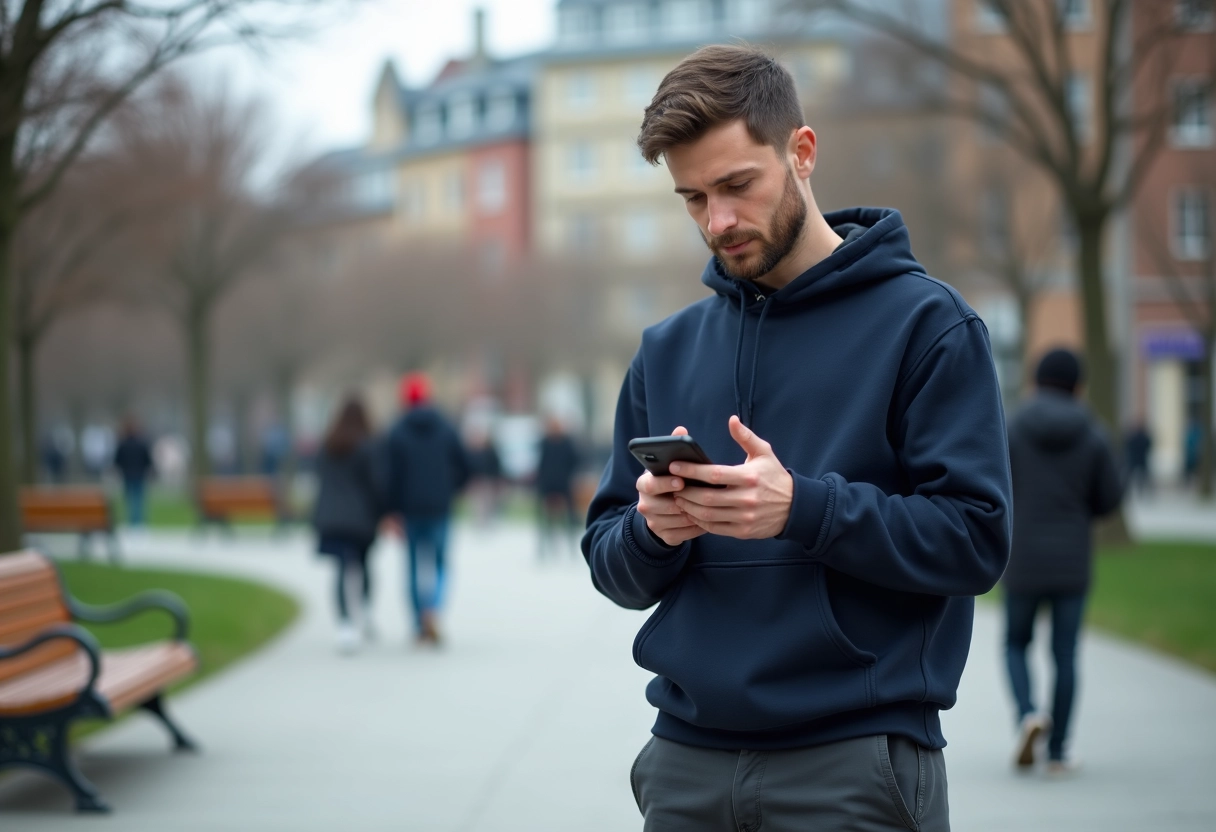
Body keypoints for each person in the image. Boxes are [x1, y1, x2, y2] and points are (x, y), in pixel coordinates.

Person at [583, 46, 1012, 831]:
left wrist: (802, 509)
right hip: (685, 769)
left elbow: (975, 541)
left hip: (853, 762)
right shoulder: (666, 350)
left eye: (738, 185)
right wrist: (652, 532)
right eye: (692, 199)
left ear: (802, 153)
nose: (717, 222)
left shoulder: (928, 326)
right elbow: (611, 564)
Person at [1003, 349, 1124, 775]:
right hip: (1072, 559)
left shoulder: (1013, 427)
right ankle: (1057, 752)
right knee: (1065, 652)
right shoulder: (1093, 433)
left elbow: (995, 485)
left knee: (1016, 643)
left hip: (1022, 558)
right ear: (1078, 386)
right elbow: (1110, 499)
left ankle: (1027, 715)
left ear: (1036, 381)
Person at [385, 372, 470, 646]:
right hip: (439, 507)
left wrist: (392, 509)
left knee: (411, 567)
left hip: (409, 510)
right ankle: (433, 608)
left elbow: (389, 476)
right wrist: (451, 488)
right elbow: (466, 466)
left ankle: (418, 622)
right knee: (440, 563)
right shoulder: (445, 428)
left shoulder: (396, 431)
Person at [312, 398, 383, 654]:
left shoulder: (328, 445)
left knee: (342, 569)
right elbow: (376, 483)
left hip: (332, 516)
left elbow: (319, 475)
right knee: (363, 566)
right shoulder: (368, 446)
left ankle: (345, 625)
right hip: (360, 517)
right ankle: (364, 611)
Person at [535, 416, 580, 558]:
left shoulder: (566, 442)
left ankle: (569, 547)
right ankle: (544, 548)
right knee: (545, 517)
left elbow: (574, 460)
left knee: (568, 517)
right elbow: (540, 462)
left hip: (562, 482)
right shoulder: (544, 442)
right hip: (548, 483)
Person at [113, 418, 155, 527]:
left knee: (130, 500)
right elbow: (148, 460)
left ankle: (132, 522)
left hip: (127, 475)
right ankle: (138, 523)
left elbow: (117, 461)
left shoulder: (122, 444)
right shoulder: (142, 443)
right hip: (139, 475)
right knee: (138, 500)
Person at [465, 429, 504, 528]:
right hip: (476, 480)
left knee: (488, 502)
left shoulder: (490, 451)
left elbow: (496, 466)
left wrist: (496, 479)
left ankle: (487, 521)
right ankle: (479, 521)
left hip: (488, 479)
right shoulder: (472, 451)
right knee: (477, 502)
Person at [1123, 422, 1152, 495]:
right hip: (1141, 458)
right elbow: (1148, 444)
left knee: (1131, 474)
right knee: (1143, 475)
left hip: (1135, 458)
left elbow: (1127, 444)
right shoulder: (1144, 437)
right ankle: (1144, 490)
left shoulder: (1133, 437)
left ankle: (1127, 489)